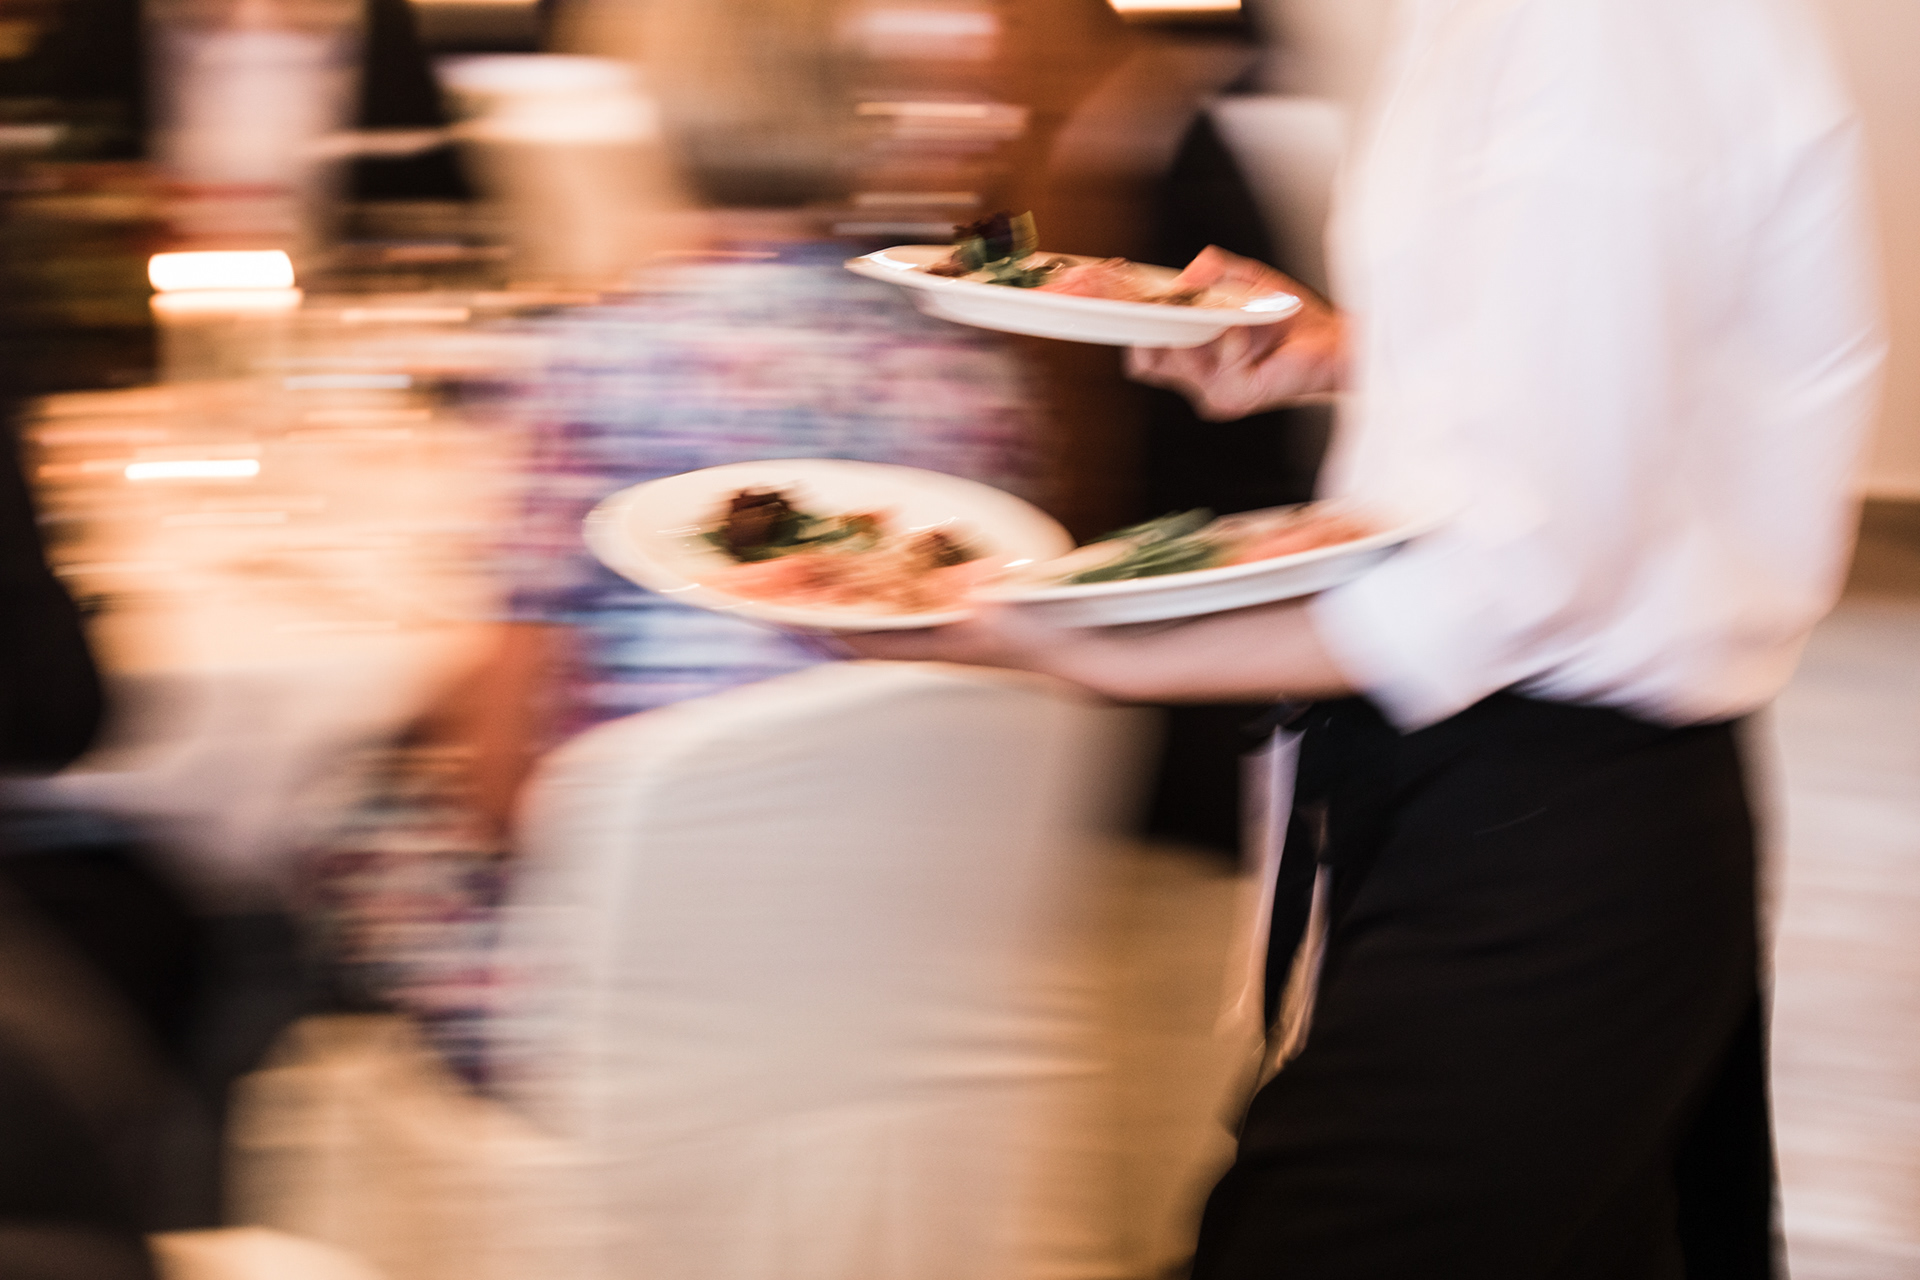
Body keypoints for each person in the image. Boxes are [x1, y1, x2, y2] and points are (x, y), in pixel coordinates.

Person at [848, 0, 1885, 1275]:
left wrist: (1082, 643)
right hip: (1528, 799)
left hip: (1554, 827)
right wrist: (1349, 351)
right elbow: (1603, 366)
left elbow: (1527, 570)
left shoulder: (1590, 31)